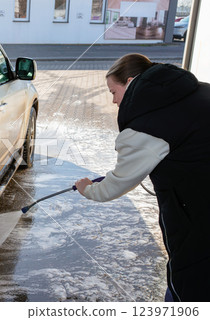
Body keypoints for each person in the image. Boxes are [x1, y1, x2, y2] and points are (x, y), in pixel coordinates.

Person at [74, 53, 210, 302]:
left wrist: (87, 189)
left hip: (199, 213)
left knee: (190, 280)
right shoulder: (196, 91)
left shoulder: (147, 122)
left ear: (130, 81)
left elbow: (115, 185)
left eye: (113, 92)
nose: (114, 102)